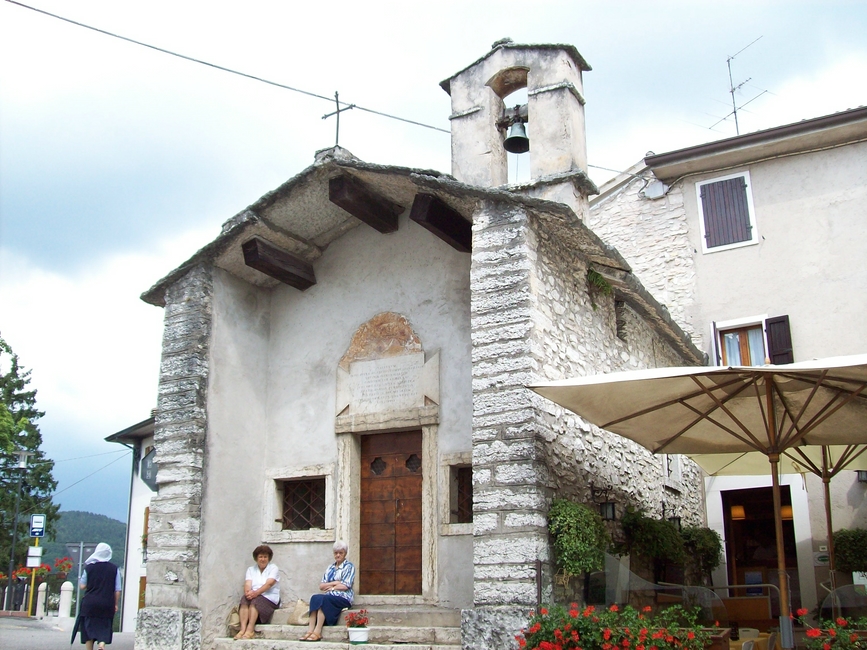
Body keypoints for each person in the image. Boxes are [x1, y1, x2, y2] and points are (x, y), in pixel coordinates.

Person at [299, 540, 356, 642]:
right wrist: (336, 582)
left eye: (341, 553)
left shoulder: (349, 566)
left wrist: (332, 587)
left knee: (325, 600)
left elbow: (345, 586)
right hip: (330, 596)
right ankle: (310, 630)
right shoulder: (330, 568)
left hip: (344, 597)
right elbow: (322, 586)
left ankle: (317, 631)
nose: (338, 555)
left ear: (345, 554)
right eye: (336, 553)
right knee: (315, 598)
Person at [76, 543, 121, 650]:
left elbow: (82, 586)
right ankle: (101, 644)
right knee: (104, 625)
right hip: (107, 603)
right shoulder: (114, 569)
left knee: (88, 629)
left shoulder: (89, 568)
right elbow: (117, 589)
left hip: (90, 603)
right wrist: (115, 604)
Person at [235, 544, 281, 640]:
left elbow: (269, 584)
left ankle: (250, 629)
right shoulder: (251, 569)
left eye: (265, 557)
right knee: (244, 600)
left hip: (269, 597)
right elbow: (248, 583)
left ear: (269, 558)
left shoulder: (273, 568)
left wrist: (255, 593)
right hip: (254, 595)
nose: (263, 559)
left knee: (255, 601)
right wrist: (248, 592)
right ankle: (242, 629)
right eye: (260, 557)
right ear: (256, 558)